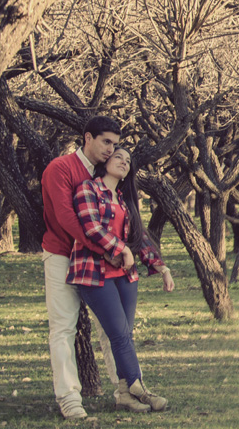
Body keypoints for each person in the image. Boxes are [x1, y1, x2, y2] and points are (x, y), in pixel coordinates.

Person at [69, 146, 174, 412]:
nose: (124, 163)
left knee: (124, 335)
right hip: (93, 273)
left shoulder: (124, 199)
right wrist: (121, 248)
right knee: (118, 334)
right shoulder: (87, 189)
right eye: (119, 157)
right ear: (105, 162)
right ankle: (141, 390)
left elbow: (139, 237)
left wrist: (161, 267)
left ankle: (126, 396)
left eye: (128, 161)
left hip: (125, 276)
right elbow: (91, 227)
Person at [41, 115, 123, 420]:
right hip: (62, 254)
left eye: (114, 144)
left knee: (112, 326)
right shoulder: (59, 168)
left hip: (98, 259)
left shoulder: (107, 174)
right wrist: (107, 249)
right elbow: (66, 219)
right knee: (63, 327)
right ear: (87, 138)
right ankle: (69, 397)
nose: (110, 149)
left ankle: (125, 388)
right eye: (105, 142)